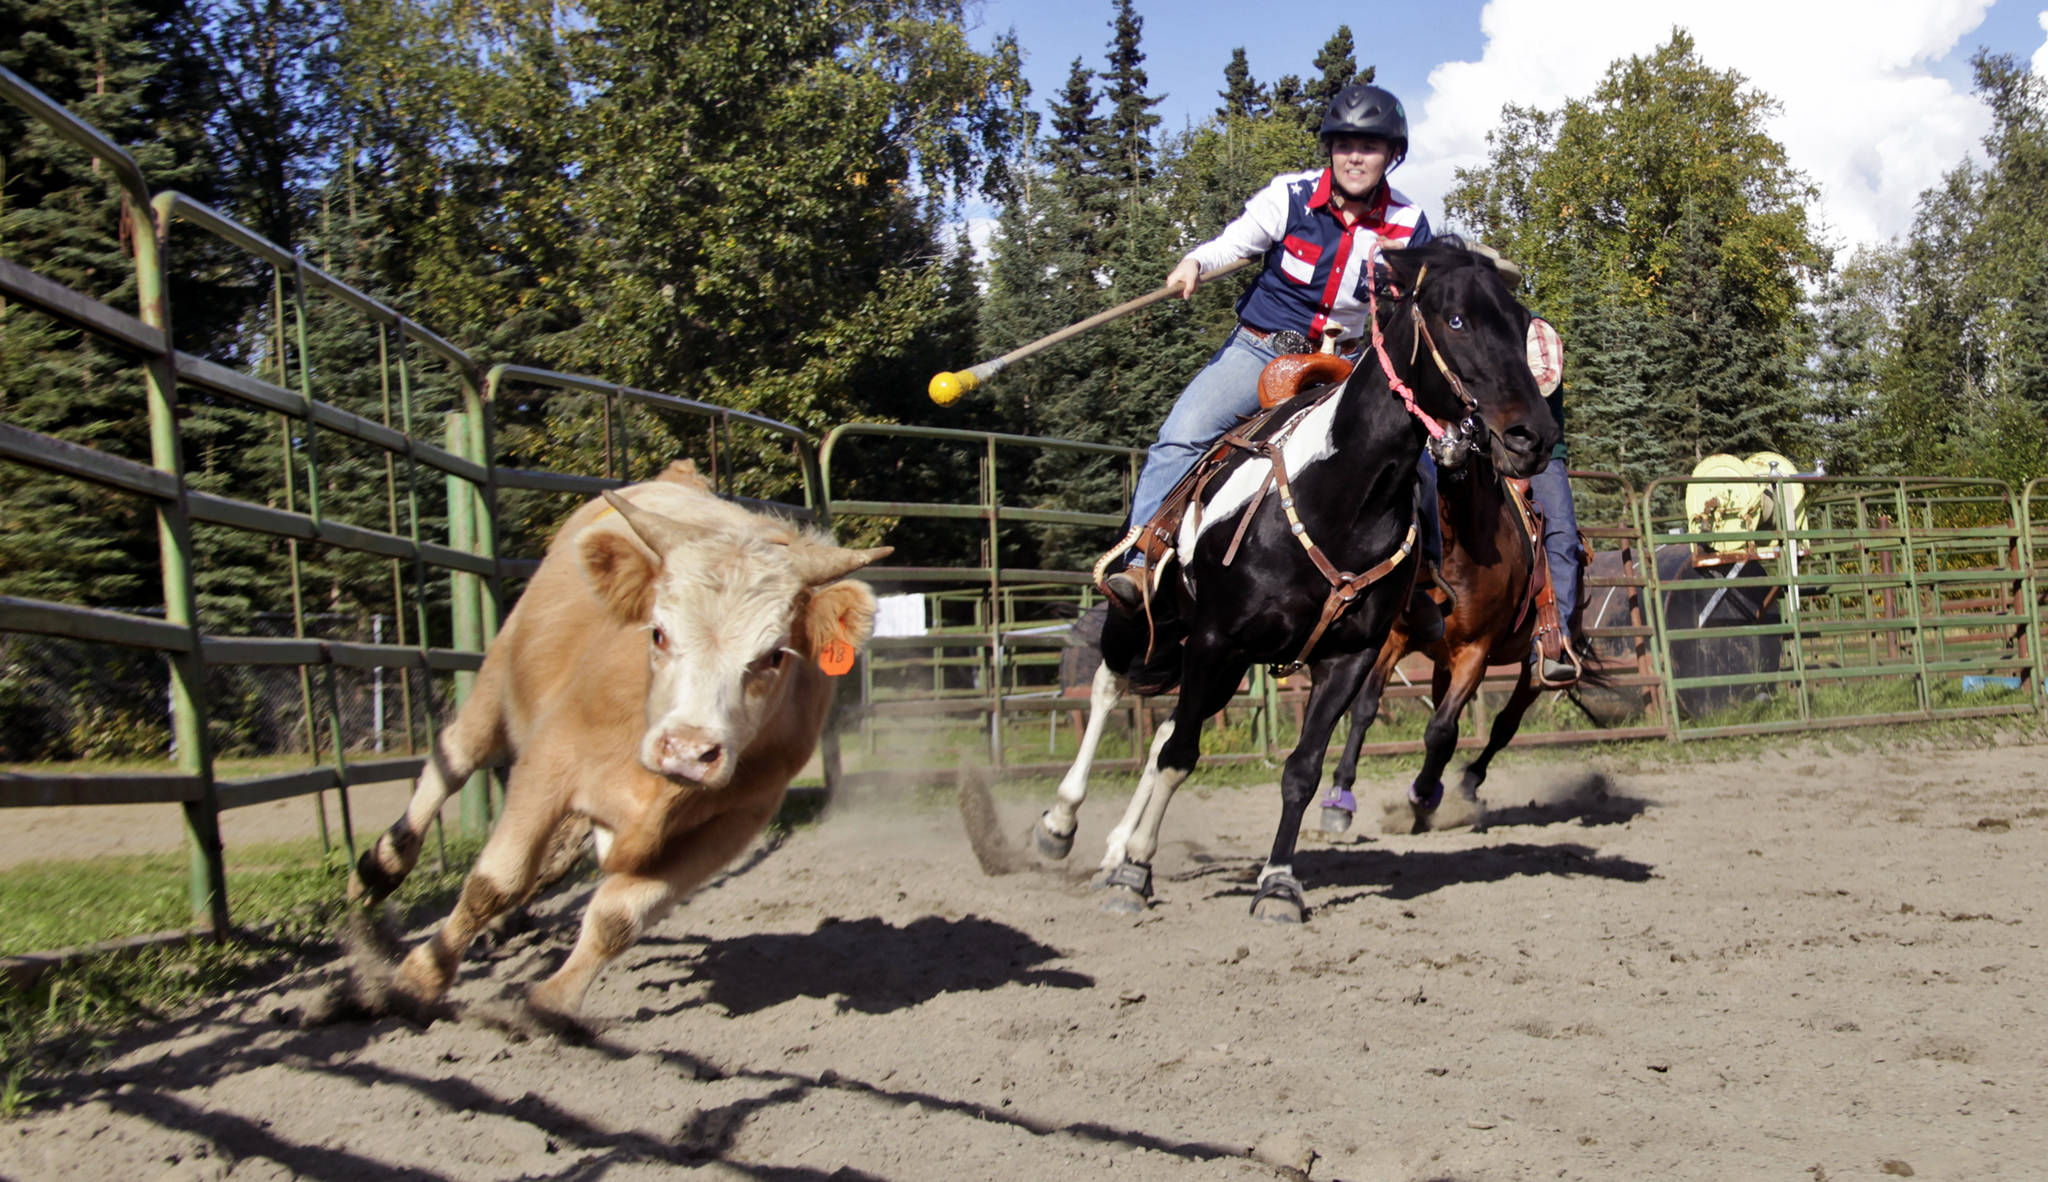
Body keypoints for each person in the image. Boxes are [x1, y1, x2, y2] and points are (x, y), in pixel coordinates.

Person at [1104, 83, 1444, 637]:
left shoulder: (1409, 224)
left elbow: (1417, 304)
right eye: (1345, 144)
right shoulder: (1288, 197)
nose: (1356, 157)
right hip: (1262, 349)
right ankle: (1142, 558)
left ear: (1391, 155)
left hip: (1348, 367)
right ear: (1330, 149)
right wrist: (1193, 262)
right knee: (1182, 434)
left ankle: (1419, 584)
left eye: (1372, 146)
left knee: (1419, 465)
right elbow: (1232, 245)